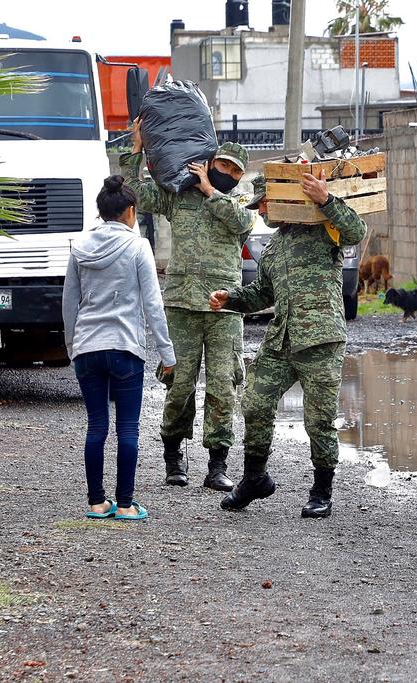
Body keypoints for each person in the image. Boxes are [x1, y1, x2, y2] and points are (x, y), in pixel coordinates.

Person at [209, 172, 367, 518]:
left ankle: (321, 491)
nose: (261, 210)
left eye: (265, 202)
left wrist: (325, 200)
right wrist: (231, 298)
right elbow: (263, 293)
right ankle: (254, 478)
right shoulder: (273, 247)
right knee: (254, 404)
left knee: (319, 421)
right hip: (281, 340)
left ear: (283, 200)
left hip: (320, 341)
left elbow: (357, 231)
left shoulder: (324, 226)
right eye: (258, 205)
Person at [120, 121, 257, 491]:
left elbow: (242, 223)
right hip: (181, 304)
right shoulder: (177, 195)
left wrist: (212, 190)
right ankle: (174, 458)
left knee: (222, 386)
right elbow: (133, 193)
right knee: (179, 385)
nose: (227, 173)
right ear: (210, 161)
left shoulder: (239, 202)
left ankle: (217, 464)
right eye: (222, 165)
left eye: (234, 171)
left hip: (223, 307)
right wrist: (135, 151)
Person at [62, 176, 176, 521]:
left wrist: (72, 347)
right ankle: (125, 505)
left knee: (96, 426)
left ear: (101, 211)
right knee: (128, 428)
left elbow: (69, 303)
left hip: (87, 349)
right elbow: (153, 305)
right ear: (130, 211)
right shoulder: (138, 247)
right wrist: (167, 355)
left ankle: (97, 502)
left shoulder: (79, 247)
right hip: (125, 347)